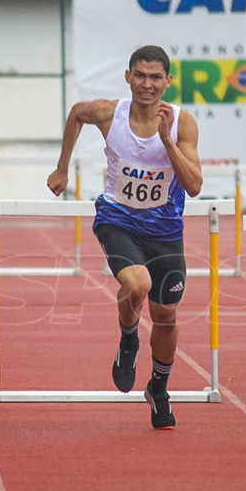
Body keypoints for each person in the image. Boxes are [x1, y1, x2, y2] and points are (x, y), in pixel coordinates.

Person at [47, 45, 202, 430]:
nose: (146, 85)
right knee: (138, 285)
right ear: (128, 76)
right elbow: (76, 114)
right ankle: (128, 338)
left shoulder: (182, 123)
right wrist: (62, 167)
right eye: (140, 75)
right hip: (117, 218)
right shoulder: (108, 113)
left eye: (155, 77)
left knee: (166, 315)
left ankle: (158, 388)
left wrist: (167, 141)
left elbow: (195, 185)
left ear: (168, 81)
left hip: (164, 229)